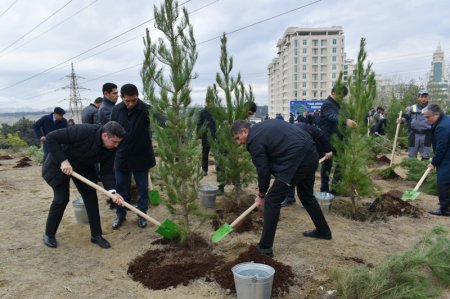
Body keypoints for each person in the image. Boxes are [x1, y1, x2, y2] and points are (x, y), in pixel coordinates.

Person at [231, 119, 332, 257]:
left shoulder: (254, 140)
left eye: (238, 138)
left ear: (244, 131)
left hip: (297, 159)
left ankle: (265, 248)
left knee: (272, 201)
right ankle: (323, 231)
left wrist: (261, 195)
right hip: (311, 153)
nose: (239, 143)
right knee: (306, 195)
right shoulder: (264, 126)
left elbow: (263, 171)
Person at [41, 121, 126, 249]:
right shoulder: (83, 131)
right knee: (61, 199)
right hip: (59, 163)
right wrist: (63, 161)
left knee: (91, 198)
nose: (116, 145)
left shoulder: (111, 148)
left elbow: (106, 172)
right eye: (114, 142)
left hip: (83, 167)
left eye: (118, 142)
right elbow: (51, 137)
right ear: (105, 136)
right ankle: (49, 234)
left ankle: (96, 235)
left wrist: (112, 192)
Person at [110, 84, 156, 229]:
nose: (130, 104)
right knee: (121, 188)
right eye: (127, 101)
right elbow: (111, 129)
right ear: (122, 98)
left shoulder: (146, 109)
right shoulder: (116, 110)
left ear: (138, 96)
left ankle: (142, 215)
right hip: (122, 156)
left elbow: (161, 119)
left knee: (143, 189)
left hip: (141, 156)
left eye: (134, 100)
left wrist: (171, 123)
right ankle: (120, 215)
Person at [281, 122, 333, 206]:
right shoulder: (287, 136)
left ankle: (307, 199)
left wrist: (328, 150)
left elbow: (321, 135)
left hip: (315, 151)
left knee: (307, 176)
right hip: (300, 152)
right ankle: (290, 197)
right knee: (291, 173)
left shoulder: (305, 128)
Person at [319, 85, 357, 193]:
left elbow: (346, 117)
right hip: (328, 141)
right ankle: (324, 191)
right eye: (340, 95)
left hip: (340, 141)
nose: (341, 97)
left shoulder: (339, 105)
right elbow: (333, 116)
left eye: (343, 96)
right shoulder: (327, 104)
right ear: (334, 92)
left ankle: (335, 189)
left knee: (341, 164)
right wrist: (346, 121)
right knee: (327, 166)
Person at [422, 104, 450, 216]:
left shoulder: (442, 127)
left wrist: (434, 162)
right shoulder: (446, 119)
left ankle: (444, 209)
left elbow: (441, 147)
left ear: (437, 114)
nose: (426, 119)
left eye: (428, 117)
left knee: (443, 182)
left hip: (447, 158)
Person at [398, 89, 432, 160]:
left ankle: (423, 170)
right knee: (412, 156)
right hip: (413, 135)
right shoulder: (412, 108)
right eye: (421, 96)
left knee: (425, 156)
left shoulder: (432, 108)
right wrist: (401, 120)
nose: (423, 99)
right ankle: (412, 170)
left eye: (425, 96)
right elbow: (406, 117)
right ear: (418, 98)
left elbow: (436, 121)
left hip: (426, 135)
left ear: (428, 97)